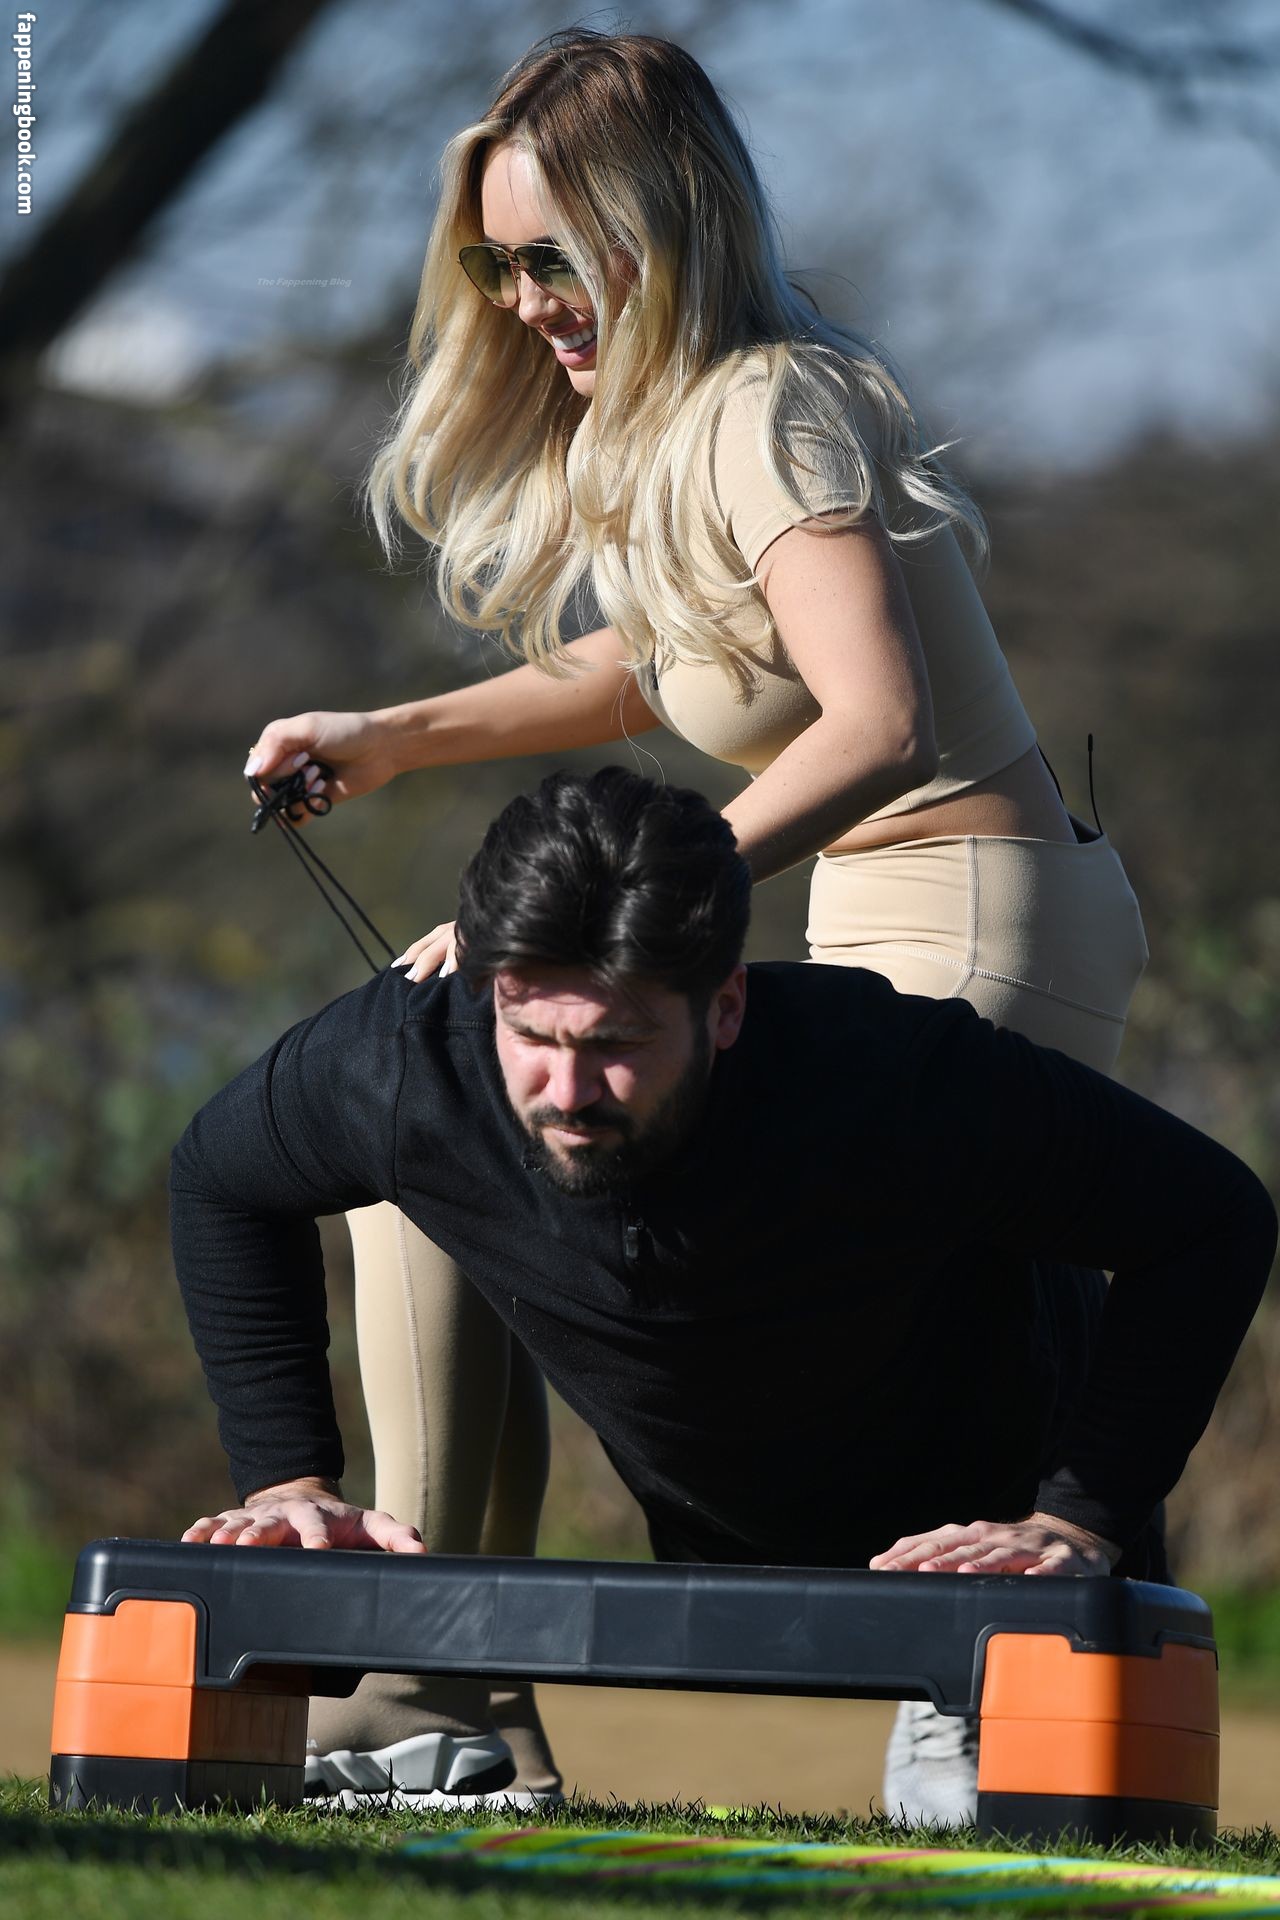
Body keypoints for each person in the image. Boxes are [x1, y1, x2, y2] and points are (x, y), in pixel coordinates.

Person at [241, 29, 1149, 1811]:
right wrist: (394, 735)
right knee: (438, 1137)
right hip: (867, 897)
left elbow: (876, 721)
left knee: (900, 1289)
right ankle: (430, 1685)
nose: (524, 302)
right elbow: (664, 663)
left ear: (664, 226)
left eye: (556, 257)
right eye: (496, 264)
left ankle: (979, 1683)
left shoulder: (769, 403)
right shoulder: (670, 423)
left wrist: (607, 938)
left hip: (980, 905)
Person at [175, 771, 1275, 1819]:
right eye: (532, 1036)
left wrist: (1075, 1520)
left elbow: (1212, 1219)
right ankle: (435, 1714)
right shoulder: (407, 1060)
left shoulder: (890, 1075)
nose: (566, 1091)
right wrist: (287, 1479)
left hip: (990, 1528)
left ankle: (964, 1705)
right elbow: (219, 1179)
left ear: (727, 1005)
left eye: (617, 1042)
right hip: (722, 1518)